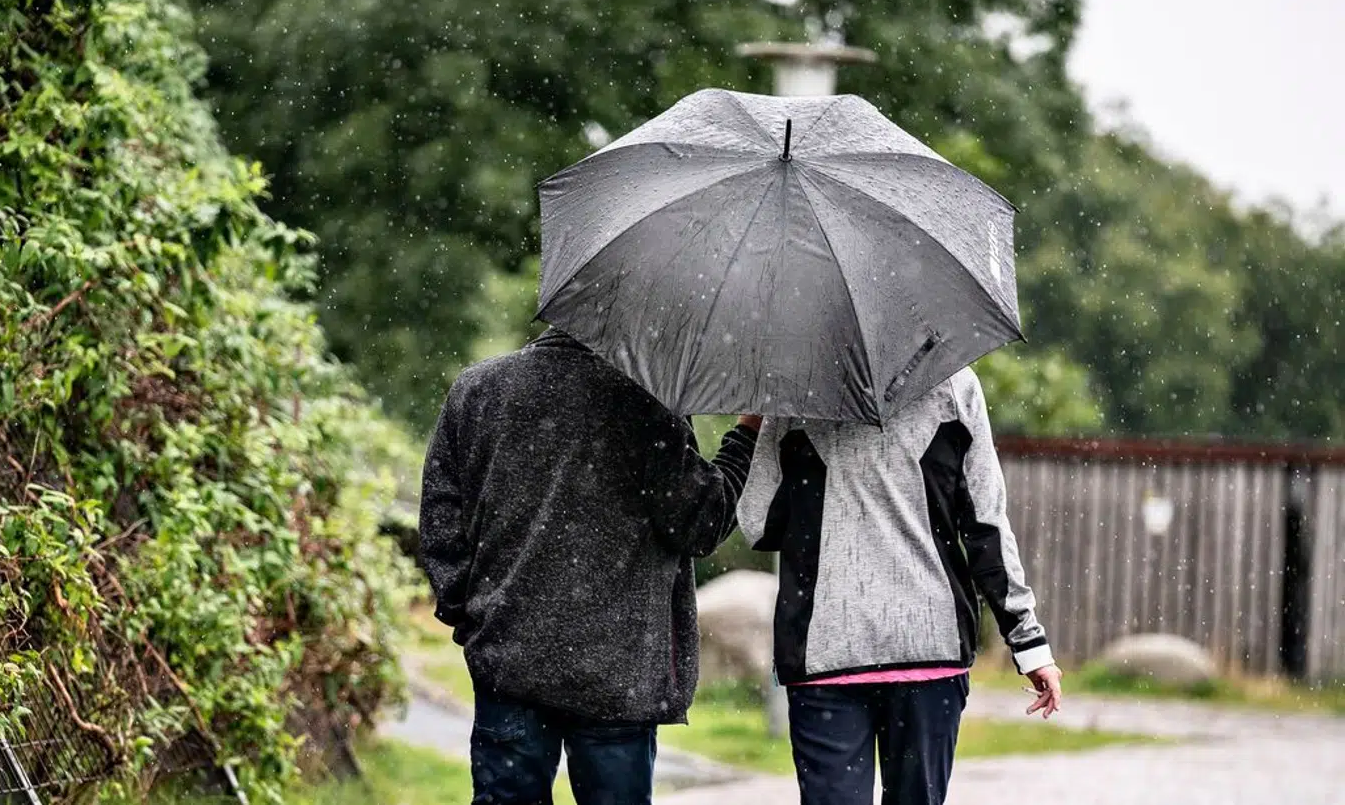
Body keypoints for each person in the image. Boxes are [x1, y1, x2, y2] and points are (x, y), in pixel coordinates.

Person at [418, 327, 760, 805]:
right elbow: (701, 524)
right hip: (618, 675)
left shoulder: (478, 390)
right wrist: (745, 435)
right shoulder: (647, 400)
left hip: (508, 661)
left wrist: (474, 619)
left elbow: (440, 523)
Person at [737, 367, 1063, 805]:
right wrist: (1029, 643)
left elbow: (758, 524)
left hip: (826, 650)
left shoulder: (794, 388)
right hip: (928, 651)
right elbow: (986, 526)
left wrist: (758, 431)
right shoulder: (954, 384)